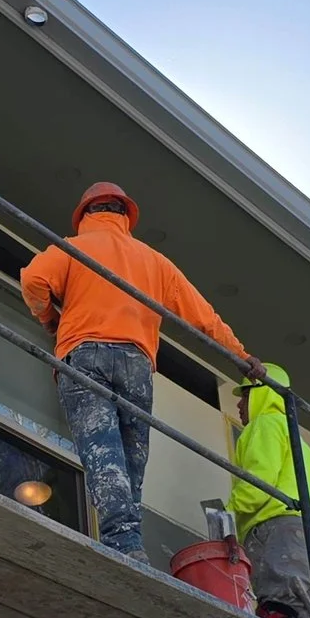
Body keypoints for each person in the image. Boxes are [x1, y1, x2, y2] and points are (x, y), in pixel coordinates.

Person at [20, 181, 254, 560]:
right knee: (131, 461)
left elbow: (33, 279)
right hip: (137, 364)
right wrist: (243, 358)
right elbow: (204, 318)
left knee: (102, 450)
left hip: (86, 352)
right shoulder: (154, 262)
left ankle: (124, 544)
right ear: (126, 216)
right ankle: (130, 543)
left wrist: (49, 318)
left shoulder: (71, 248)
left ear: (85, 215)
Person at [228, 364, 310, 618]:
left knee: (277, 609)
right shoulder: (297, 438)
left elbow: (259, 482)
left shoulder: (265, 425)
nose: (239, 403)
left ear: (262, 394)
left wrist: (226, 514)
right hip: (305, 537)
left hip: (276, 531)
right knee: (302, 615)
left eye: (245, 395)